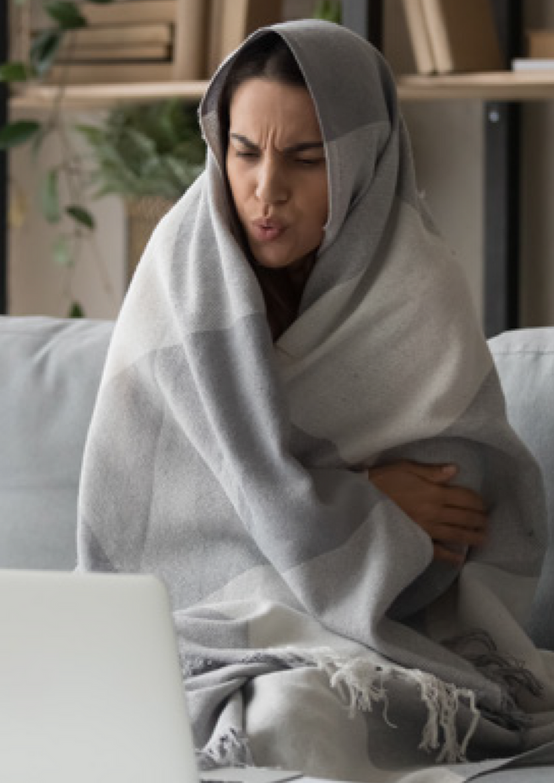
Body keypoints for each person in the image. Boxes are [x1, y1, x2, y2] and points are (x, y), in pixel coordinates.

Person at [78, 20, 554, 781]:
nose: (266, 189)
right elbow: (157, 509)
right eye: (243, 151)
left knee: (299, 712)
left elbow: (454, 525)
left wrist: (330, 510)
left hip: (370, 636)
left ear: (363, 158)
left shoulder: (415, 286)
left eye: (305, 159)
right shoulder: (181, 269)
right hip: (192, 621)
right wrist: (365, 500)